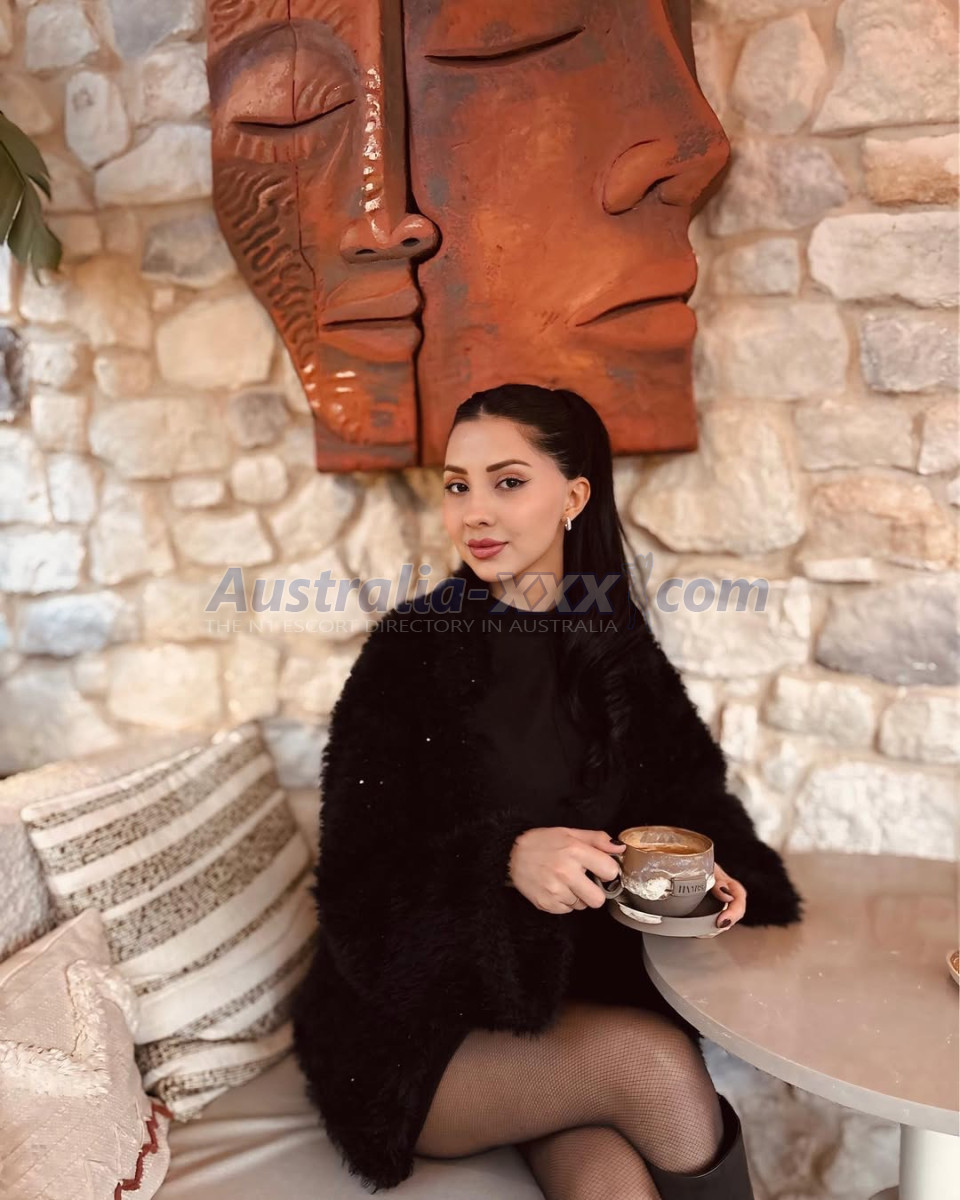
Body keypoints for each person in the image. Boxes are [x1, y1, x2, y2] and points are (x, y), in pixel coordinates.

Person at [291, 384, 804, 1198]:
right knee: (655, 1066)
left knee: (613, 1184)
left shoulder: (618, 650)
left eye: (507, 481)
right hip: (419, 1035)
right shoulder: (408, 657)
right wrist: (503, 862)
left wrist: (717, 870)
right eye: (458, 485)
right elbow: (359, 891)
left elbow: (689, 801)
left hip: (571, 1015)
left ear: (573, 496)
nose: (475, 512)